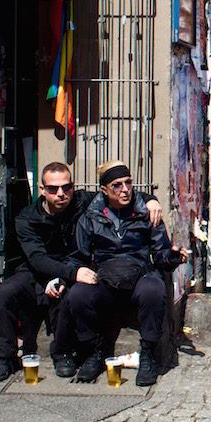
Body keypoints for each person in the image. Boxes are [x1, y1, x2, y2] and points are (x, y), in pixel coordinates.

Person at [0, 162, 163, 382]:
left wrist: (150, 200)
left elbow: (118, 191)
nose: (61, 193)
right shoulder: (27, 218)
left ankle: (64, 353)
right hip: (38, 270)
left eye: (67, 187)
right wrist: (71, 272)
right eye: (53, 189)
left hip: (73, 266)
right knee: (5, 293)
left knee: (72, 294)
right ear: (42, 190)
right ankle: (5, 356)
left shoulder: (82, 200)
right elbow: (37, 258)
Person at [66, 161, 186, 386]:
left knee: (154, 288)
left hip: (139, 273)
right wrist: (77, 271)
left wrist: (173, 257)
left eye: (128, 183)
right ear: (104, 190)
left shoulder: (147, 213)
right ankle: (94, 351)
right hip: (105, 277)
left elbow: (161, 255)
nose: (125, 189)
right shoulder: (90, 217)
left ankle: (149, 353)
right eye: (117, 185)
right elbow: (76, 256)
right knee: (78, 295)